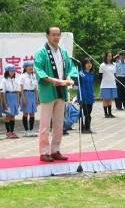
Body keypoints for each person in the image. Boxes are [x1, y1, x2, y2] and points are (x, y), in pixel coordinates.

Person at [34, 26, 77, 162]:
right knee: (45, 124)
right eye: (53, 34)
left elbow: (70, 68)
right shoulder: (41, 53)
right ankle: (44, 151)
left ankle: (55, 149)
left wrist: (69, 78)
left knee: (59, 124)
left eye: (58, 35)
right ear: (47, 36)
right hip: (48, 90)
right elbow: (39, 70)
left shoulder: (63, 52)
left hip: (61, 90)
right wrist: (54, 80)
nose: (56, 37)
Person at [75, 58, 95, 133]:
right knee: (82, 112)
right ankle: (82, 127)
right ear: (84, 64)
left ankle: (88, 127)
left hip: (90, 95)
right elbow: (76, 83)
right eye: (87, 63)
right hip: (83, 95)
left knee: (88, 113)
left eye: (90, 63)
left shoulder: (92, 74)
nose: (89, 64)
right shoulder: (81, 73)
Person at [1, 64, 20, 139]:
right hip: (8, 97)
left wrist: (18, 101)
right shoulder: (4, 80)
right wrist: (4, 102)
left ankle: (12, 131)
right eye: (10, 71)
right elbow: (3, 92)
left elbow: (18, 91)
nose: (12, 72)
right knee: (8, 115)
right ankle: (8, 132)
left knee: (13, 115)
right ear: (7, 72)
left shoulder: (15, 80)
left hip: (14, 96)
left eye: (13, 71)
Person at [20, 60, 38, 137]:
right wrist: (23, 98)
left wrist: (37, 98)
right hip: (26, 93)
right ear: (25, 67)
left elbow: (36, 88)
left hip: (33, 94)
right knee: (25, 112)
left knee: (32, 113)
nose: (31, 68)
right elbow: (21, 88)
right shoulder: (22, 76)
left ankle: (31, 130)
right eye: (29, 66)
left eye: (32, 66)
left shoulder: (34, 76)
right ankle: (26, 130)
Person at [99, 51, 118, 118]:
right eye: (108, 56)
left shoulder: (114, 65)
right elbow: (100, 74)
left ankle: (110, 112)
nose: (109, 57)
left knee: (110, 99)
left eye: (111, 56)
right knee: (105, 99)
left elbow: (115, 73)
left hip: (112, 83)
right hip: (105, 84)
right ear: (106, 57)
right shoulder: (102, 65)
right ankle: (105, 113)